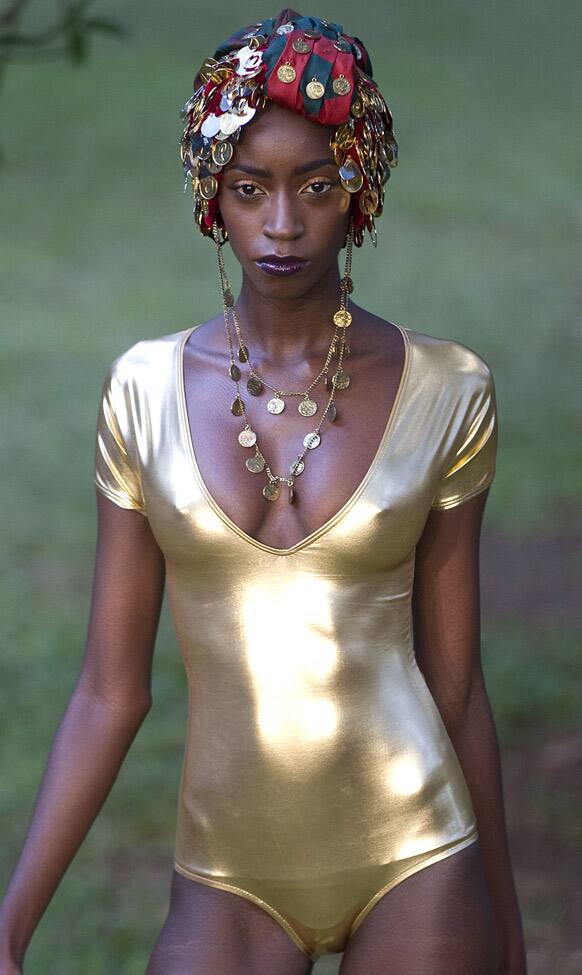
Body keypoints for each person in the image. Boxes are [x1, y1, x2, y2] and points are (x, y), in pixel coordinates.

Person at [0, 9, 528, 975]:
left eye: (314, 187)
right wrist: (11, 921)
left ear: (356, 190)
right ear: (214, 197)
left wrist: (509, 931)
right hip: (227, 877)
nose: (281, 225)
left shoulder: (449, 389)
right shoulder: (145, 391)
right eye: (251, 190)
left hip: (416, 854)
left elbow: (456, 686)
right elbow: (109, 691)